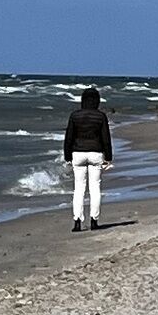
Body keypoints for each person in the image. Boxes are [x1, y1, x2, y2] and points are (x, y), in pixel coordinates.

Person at [62, 87, 114, 229]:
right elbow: (106, 138)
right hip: (96, 153)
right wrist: (108, 157)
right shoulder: (100, 116)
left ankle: (77, 221)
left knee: (79, 188)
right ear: (97, 101)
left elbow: (69, 138)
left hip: (78, 153)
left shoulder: (75, 115)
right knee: (95, 187)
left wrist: (67, 156)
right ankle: (94, 220)